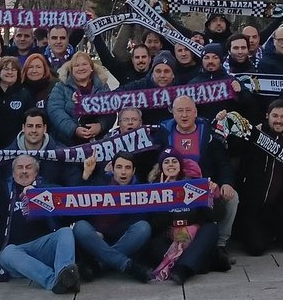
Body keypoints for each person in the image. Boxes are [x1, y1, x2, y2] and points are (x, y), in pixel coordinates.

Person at [0, 154, 79, 293]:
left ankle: (65, 273)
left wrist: (38, 193)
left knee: (65, 232)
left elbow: (65, 203)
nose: (24, 171)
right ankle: (55, 281)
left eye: (28, 168)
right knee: (8, 252)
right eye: (20, 167)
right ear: (13, 172)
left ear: (36, 172)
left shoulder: (47, 188)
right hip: (15, 254)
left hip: (43, 248)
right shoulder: (3, 190)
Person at [159, 95, 237, 261]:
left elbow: (222, 162)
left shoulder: (208, 133)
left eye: (188, 110)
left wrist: (227, 183)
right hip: (174, 190)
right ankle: (172, 244)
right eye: (180, 111)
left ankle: (220, 245)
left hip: (205, 189)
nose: (184, 115)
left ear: (196, 112)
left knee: (232, 197)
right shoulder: (164, 133)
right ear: (173, 113)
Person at [235, 100, 283, 255]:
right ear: (267, 116)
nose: (279, 120)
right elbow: (234, 146)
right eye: (275, 115)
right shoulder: (254, 135)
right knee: (256, 248)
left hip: (278, 208)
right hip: (252, 206)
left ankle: (273, 233)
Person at [71, 153, 153, 283]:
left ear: (134, 171)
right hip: (96, 238)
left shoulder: (140, 189)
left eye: (128, 168)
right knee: (80, 226)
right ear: (112, 168)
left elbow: (138, 219)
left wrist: (106, 232)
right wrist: (85, 176)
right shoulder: (100, 181)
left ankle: (98, 265)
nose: (123, 172)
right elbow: (77, 203)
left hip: (124, 238)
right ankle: (127, 265)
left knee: (144, 228)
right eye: (119, 167)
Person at [146, 150, 224, 284]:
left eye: (174, 161)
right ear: (161, 167)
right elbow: (154, 225)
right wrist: (164, 199)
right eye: (166, 162)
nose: (171, 165)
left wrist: (209, 196)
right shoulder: (152, 189)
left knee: (211, 229)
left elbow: (218, 215)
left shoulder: (194, 184)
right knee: (152, 246)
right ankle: (202, 262)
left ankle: (182, 270)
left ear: (180, 165)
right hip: (169, 238)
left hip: (194, 236)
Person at [48, 51, 114, 144]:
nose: (81, 68)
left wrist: (100, 126)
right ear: (71, 69)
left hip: (97, 141)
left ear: (91, 68)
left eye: (84, 64)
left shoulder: (103, 86)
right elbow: (55, 111)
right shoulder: (60, 86)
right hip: (65, 142)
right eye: (76, 65)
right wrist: (74, 129)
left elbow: (111, 111)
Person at [0, 58, 33, 146]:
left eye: (13, 69)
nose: (10, 72)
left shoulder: (24, 94)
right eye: (6, 69)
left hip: (16, 144)